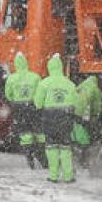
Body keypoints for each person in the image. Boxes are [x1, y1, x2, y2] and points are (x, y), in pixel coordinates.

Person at [33, 54, 86, 183]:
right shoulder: (70, 84)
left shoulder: (44, 83)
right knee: (65, 148)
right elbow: (77, 103)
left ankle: (53, 176)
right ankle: (68, 176)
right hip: (65, 119)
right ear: (61, 67)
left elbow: (38, 103)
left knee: (51, 148)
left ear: (50, 67)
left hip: (49, 119)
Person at [4, 52, 44, 169]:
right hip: (33, 106)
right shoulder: (35, 76)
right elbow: (40, 93)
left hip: (19, 107)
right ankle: (42, 156)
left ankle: (29, 156)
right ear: (26, 63)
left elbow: (8, 94)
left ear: (16, 64)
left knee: (25, 131)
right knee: (38, 131)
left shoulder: (12, 78)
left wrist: (16, 100)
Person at [72, 74, 102, 165]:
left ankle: (75, 149)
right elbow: (96, 106)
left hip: (73, 110)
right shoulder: (96, 89)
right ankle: (84, 157)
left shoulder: (81, 85)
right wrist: (95, 115)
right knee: (87, 132)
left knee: (77, 130)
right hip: (83, 112)